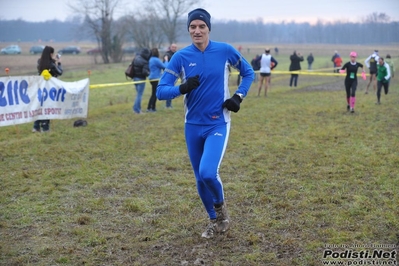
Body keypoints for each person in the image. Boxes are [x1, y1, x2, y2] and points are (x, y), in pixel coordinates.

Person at [156, 8, 254, 239]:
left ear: (209, 28)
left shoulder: (224, 51)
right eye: (193, 27)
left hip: (217, 122)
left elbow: (249, 73)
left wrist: (238, 97)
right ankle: (213, 220)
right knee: (199, 178)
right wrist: (182, 88)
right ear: (188, 30)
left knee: (208, 172)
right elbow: (161, 91)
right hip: (192, 125)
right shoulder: (180, 57)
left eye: (201, 26)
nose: (197, 31)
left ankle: (221, 212)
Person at [32, 45, 63, 132]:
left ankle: (36, 126)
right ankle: (45, 127)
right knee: (47, 107)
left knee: (40, 106)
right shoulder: (51, 64)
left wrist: (54, 61)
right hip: (49, 89)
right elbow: (59, 72)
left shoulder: (39, 62)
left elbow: (46, 66)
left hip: (40, 88)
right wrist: (59, 63)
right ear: (50, 54)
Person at [147, 48, 167, 112]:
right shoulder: (156, 60)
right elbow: (164, 66)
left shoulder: (151, 59)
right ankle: (151, 108)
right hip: (155, 78)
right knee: (154, 94)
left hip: (152, 77)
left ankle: (151, 107)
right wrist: (166, 60)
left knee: (154, 93)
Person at [132, 48, 151, 114]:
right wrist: (149, 74)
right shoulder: (145, 62)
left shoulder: (136, 58)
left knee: (138, 95)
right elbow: (144, 72)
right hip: (141, 79)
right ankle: (137, 110)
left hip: (135, 78)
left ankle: (135, 108)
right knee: (139, 95)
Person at [163, 43, 177, 109]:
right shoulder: (167, 55)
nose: (174, 48)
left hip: (176, 74)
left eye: (175, 47)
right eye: (173, 47)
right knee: (169, 89)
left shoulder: (177, 54)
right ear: (170, 47)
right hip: (169, 74)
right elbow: (164, 65)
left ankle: (169, 104)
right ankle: (168, 105)